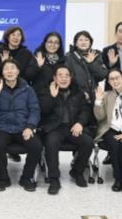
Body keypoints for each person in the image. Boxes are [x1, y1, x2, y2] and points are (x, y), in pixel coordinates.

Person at [0, 59, 42, 192]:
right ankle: (4, 178)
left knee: (36, 146)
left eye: (12, 68)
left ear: (18, 71)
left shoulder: (27, 89)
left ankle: (26, 177)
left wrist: (30, 126)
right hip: (2, 128)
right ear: (2, 72)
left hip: (22, 127)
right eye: (6, 69)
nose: (9, 71)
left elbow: (35, 110)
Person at [37, 65, 93, 194]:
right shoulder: (45, 91)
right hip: (54, 127)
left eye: (67, 75)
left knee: (87, 142)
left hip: (73, 126)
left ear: (71, 78)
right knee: (51, 142)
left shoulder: (78, 92)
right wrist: (52, 97)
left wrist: (80, 123)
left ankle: (77, 172)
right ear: (54, 78)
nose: (63, 78)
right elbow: (42, 111)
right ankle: (54, 178)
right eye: (60, 75)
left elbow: (85, 110)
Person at [63, 30, 108, 103]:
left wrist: (92, 63)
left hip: (94, 96)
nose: (83, 42)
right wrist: (80, 93)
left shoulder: (96, 54)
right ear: (76, 43)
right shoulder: (69, 57)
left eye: (86, 40)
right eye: (80, 40)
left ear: (90, 43)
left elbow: (103, 75)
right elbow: (68, 78)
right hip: (76, 96)